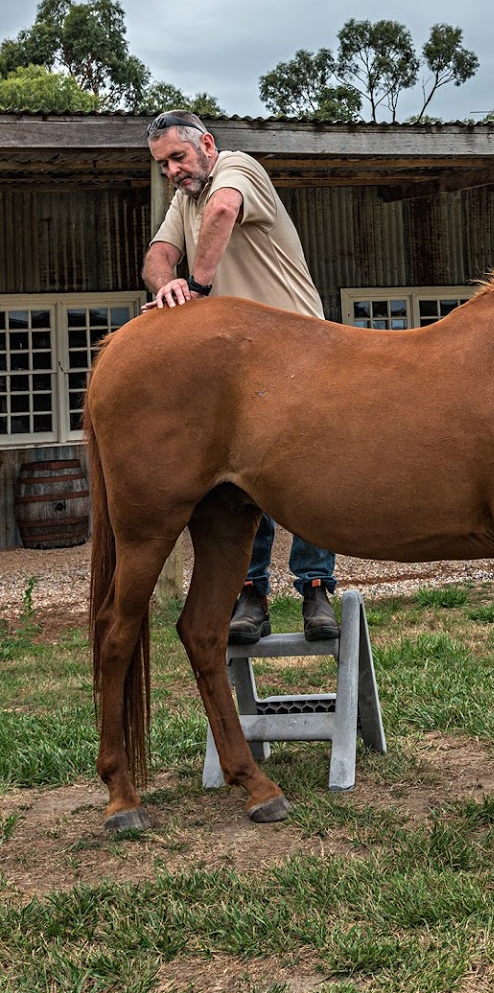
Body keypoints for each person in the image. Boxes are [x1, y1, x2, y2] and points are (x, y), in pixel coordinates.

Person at [142, 110, 340, 644]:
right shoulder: (184, 200)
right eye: (163, 165)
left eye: (179, 158)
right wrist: (168, 287)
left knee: (307, 473)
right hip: (239, 365)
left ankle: (317, 585)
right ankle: (252, 592)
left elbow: (225, 210)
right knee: (240, 480)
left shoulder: (237, 168)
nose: (172, 172)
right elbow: (159, 255)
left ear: (206, 144)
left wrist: (198, 291)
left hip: (301, 348)